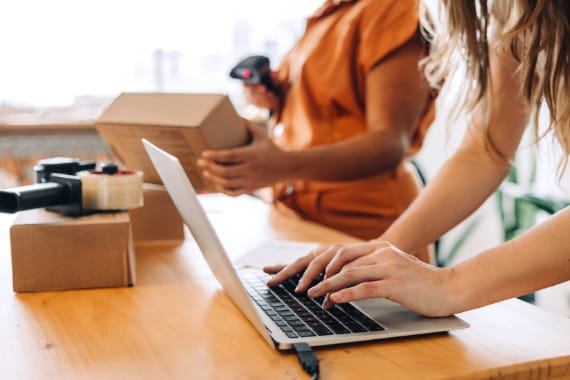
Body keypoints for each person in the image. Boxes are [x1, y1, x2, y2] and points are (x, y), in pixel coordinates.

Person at [264, 0, 570, 317]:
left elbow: (389, 141)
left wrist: (450, 286)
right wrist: (379, 252)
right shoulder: (509, 12)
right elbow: (486, 151)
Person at [197, 0, 436, 263]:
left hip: (362, 228)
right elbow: (320, 111)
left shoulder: (391, 10)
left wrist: (282, 165)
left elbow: (389, 144)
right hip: (297, 224)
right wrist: (276, 98)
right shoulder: (324, 19)